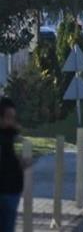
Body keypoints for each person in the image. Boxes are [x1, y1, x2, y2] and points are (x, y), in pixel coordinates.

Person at [0, 97, 25, 232]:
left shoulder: (10, 135)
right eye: (8, 117)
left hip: (11, 191)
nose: (11, 120)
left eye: (13, 117)